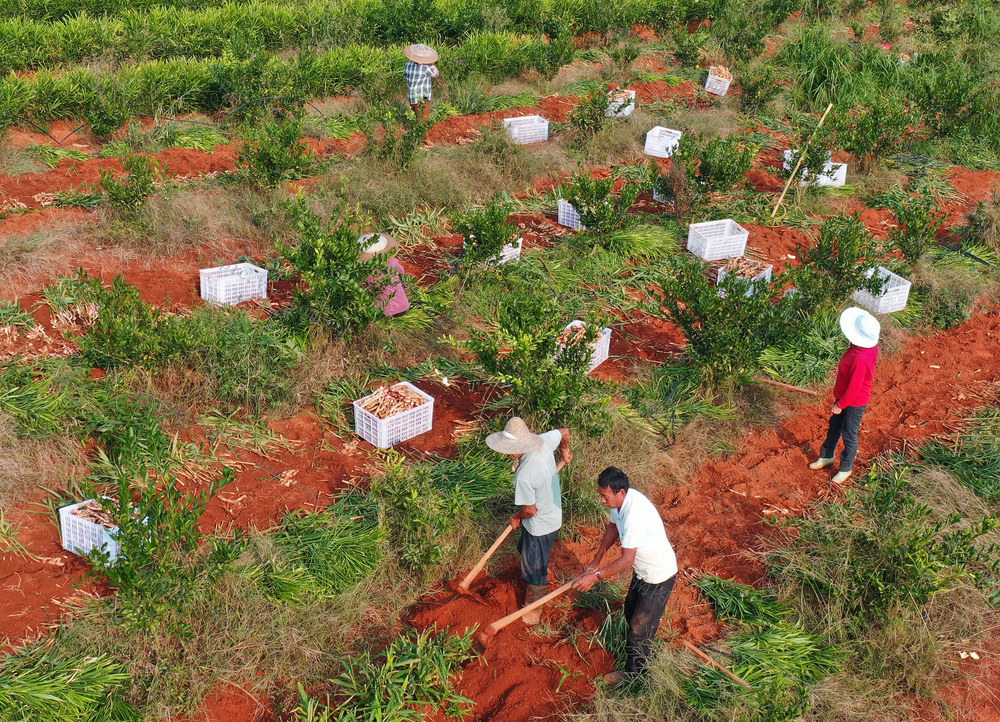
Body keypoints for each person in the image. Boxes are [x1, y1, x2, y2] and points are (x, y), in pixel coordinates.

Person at [575, 466, 677, 686]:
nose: (602, 500)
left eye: (605, 496)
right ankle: (638, 650)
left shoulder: (633, 515)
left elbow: (626, 560)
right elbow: (612, 527)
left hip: (658, 577)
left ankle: (636, 675)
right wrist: (596, 559)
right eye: (600, 495)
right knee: (631, 613)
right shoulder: (621, 503)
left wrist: (595, 577)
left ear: (620, 492)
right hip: (642, 573)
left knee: (640, 629)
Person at [486, 417, 572, 625]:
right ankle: (534, 572)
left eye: (508, 449)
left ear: (515, 448)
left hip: (541, 525)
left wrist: (516, 517)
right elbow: (565, 431)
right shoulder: (543, 441)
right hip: (551, 514)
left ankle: (534, 606)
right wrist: (564, 451)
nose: (506, 453)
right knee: (525, 549)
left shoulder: (524, 475)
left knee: (534, 568)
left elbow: (530, 511)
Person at [809, 306, 880, 483]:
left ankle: (846, 467)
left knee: (849, 433)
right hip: (845, 395)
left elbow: (855, 387)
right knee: (834, 426)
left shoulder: (861, 358)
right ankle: (826, 456)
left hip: (854, 401)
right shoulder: (863, 348)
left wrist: (840, 405)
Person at [359, 233, 409, 317]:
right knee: (399, 280)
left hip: (383, 313)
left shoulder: (367, 271)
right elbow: (401, 272)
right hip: (404, 307)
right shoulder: (393, 262)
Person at [403, 43, 439, 121]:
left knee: (417, 117)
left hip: (412, 96)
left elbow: (405, 77)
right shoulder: (425, 68)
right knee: (424, 120)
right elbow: (435, 75)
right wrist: (433, 66)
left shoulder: (407, 65)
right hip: (423, 97)